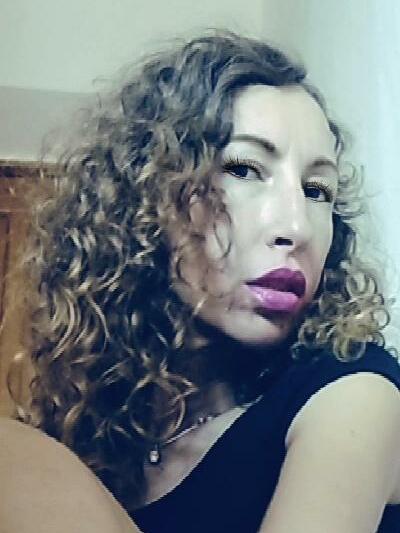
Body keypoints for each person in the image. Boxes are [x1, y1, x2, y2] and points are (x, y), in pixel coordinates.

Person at [1, 30, 400, 533]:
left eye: (317, 190)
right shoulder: (101, 440)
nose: (296, 227)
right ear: (146, 199)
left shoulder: (354, 391)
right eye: (244, 169)